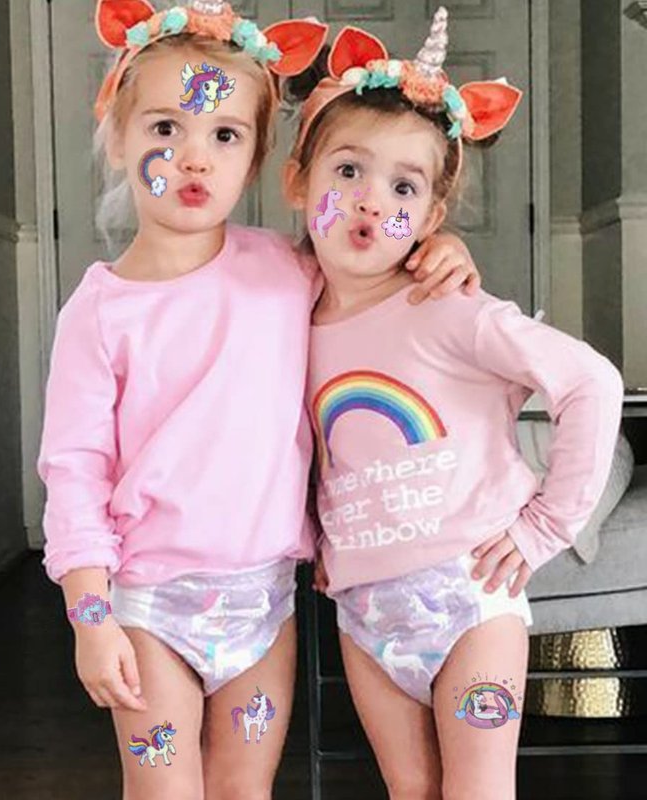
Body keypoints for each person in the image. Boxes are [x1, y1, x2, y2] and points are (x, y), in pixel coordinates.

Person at [37, 2, 483, 797]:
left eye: (225, 135)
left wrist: (436, 247)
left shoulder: (289, 270)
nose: (194, 157)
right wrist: (90, 619)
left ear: (257, 159)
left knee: (245, 787)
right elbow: (74, 472)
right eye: (165, 128)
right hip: (149, 606)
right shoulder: (99, 313)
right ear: (118, 135)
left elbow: (374, 267)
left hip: (265, 606)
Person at [283, 9, 624, 799]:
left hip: (470, 600)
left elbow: (592, 383)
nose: (372, 202)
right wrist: (323, 535)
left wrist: (547, 525)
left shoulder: (448, 308)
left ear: (432, 219)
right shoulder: (288, 313)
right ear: (299, 180)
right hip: (364, 612)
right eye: (348, 172)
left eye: (403, 187)